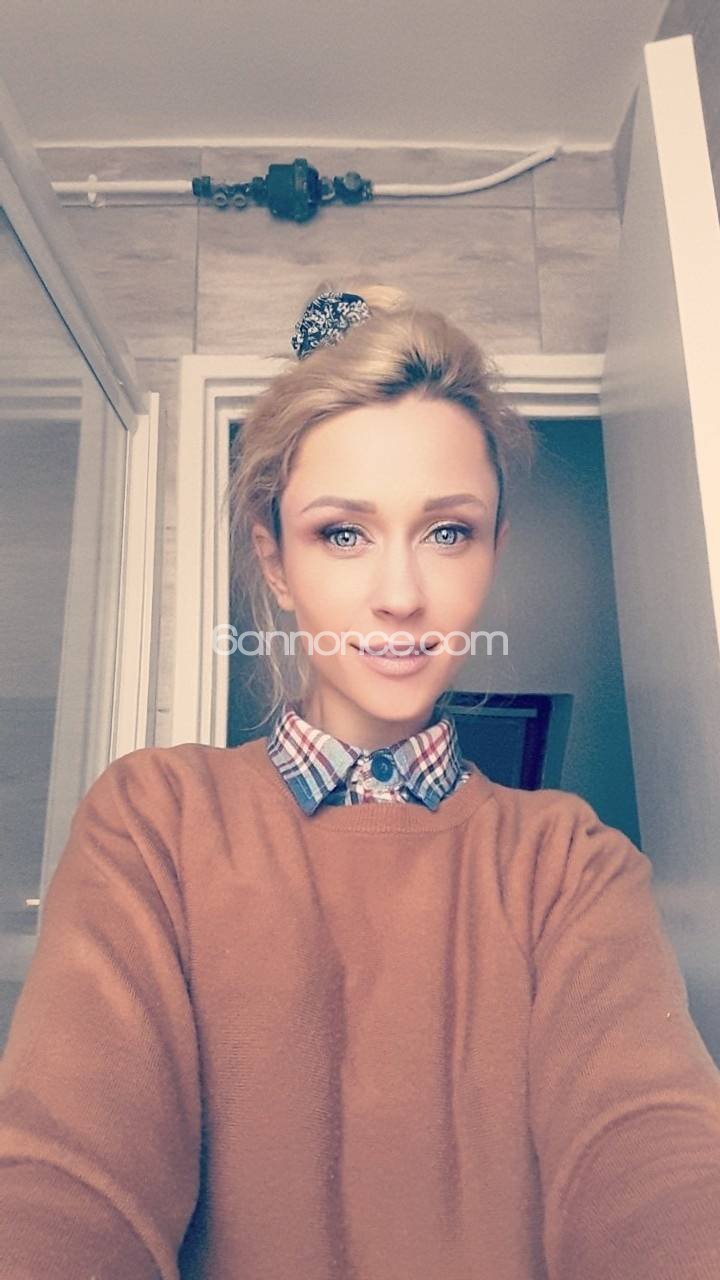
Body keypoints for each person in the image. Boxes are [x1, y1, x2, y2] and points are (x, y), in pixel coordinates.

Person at [1, 281, 719, 1280]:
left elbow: (653, 1150)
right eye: (342, 532)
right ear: (275, 560)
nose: (399, 595)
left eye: (447, 531)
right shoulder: (155, 821)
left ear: (494, 551)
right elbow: (63, 1176)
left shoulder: (573, 865)